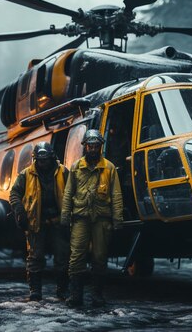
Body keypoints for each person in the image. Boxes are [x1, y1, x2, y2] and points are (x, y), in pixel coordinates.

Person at [61, 129, 123, 307]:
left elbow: (116, 195)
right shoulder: (76, 167)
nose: (93, 149)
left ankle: (97, 295)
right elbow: (68, 194)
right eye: (90, 146)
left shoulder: (109, 168)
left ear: (100, 147)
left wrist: (117, 221)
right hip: (80, 218)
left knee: (100, 257)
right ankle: (75, 295)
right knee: (76, 257)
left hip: (102, 219)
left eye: (96, 146)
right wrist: (65, 218)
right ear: (85, 147)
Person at [10, 142, 70, 301]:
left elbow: (74, 192)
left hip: (58, 221)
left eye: (46, 160)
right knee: (35, 257)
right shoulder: (26, 174)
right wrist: (19, 211)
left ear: (52, 158)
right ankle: (35, 291)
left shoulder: (63, 171)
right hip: (36, 222)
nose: (42, 163)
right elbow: (14, 193)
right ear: (35, 159)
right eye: (39, 160)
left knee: (63, 256)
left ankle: (62, 290)